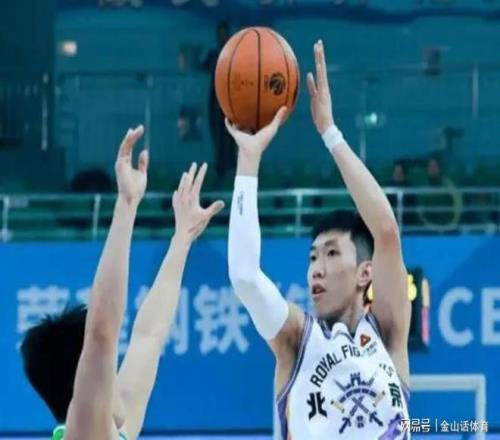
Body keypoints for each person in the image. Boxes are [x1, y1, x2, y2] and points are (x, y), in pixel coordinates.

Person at [226, 40, 411, 439]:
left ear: (365, 273)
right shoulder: (296, 339)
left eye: (330, 254)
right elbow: (244, 276)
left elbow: (386, 233)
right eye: (312, 258)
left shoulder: (388, 333)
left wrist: (330, 132)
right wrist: (249, 159)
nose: (316, 269)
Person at [20, 126, 223, 440]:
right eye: (107, 366)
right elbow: (101, 332)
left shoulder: (116, 431)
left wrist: (182, 240)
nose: (116, 370)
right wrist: (126, 205)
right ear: (85, 378)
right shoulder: (83, 430)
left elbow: (149, 335)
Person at [201, 21, 237, 185]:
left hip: (231, 101)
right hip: (216, 101)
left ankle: (231, 170)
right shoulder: (214, 55)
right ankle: (221, 171)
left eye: (224, 34)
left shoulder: (234, 55)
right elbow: (201, 67)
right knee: (217, 136)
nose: (222, 38)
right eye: (219, 34)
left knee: (231, 137)